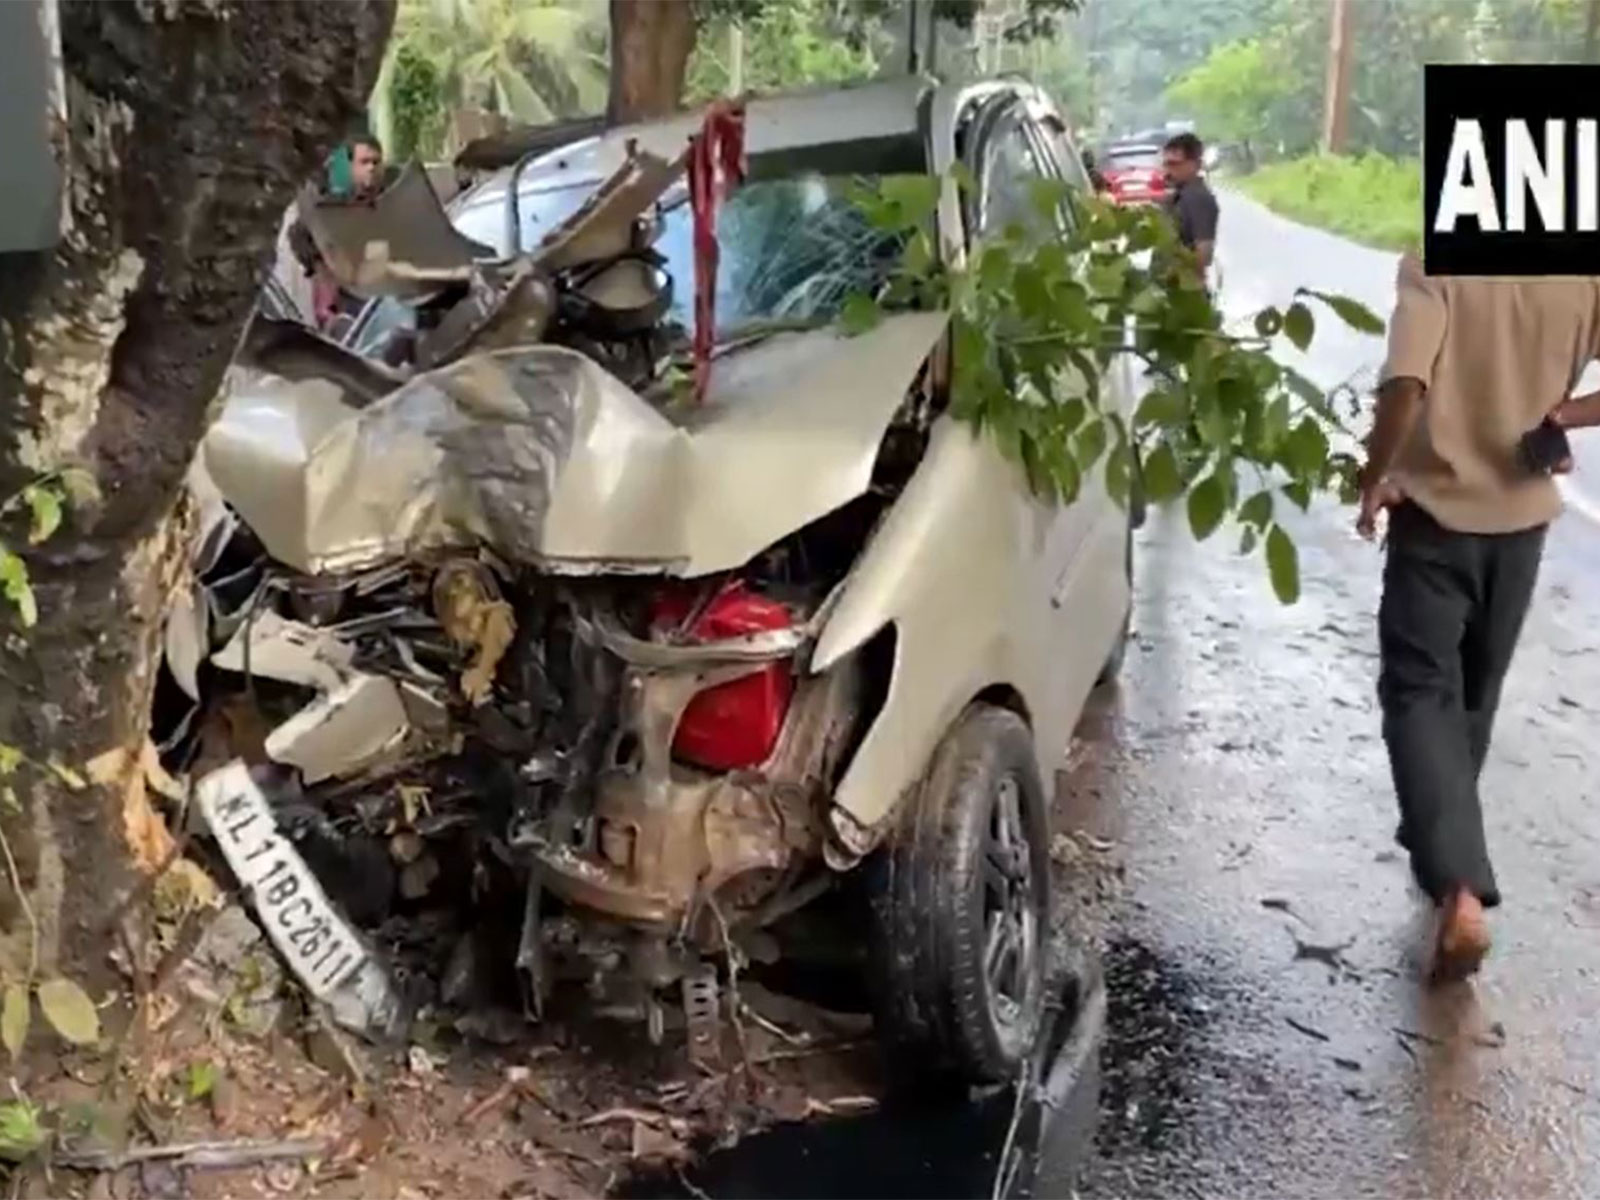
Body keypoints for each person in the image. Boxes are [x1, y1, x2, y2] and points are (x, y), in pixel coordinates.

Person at [1357, 253, 1600, 982]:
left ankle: (1460, 889)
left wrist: (1375, 478)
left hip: (1435, 517)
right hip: (1521, 526)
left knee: (1419, 690)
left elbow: (1406, 382)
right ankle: (1436, 835)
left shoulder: (1434, 265)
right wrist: (1565, 416)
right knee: (1472, 694)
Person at [287, 134, 385, 331]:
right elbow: (300, 234)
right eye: (364, 162)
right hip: (346, 303)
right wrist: (320, 267)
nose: (371, 168)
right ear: (351, 166)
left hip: (384, 300)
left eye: (376, 162)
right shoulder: (335, 208)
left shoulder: (391, 202)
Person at [1159, 131, 1218, 289]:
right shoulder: (1178, 195)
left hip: (1187, 290)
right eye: (1165, 164)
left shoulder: (1198, 198)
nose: (1167, 171)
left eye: (1174, 164)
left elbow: (1204, 254)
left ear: (1195, 165)